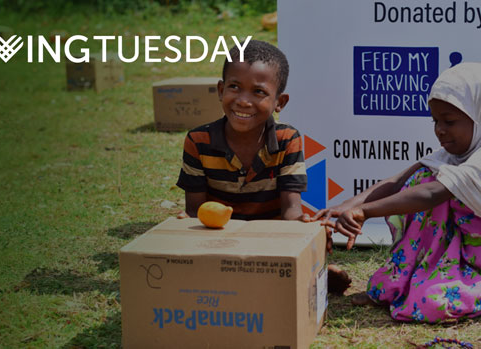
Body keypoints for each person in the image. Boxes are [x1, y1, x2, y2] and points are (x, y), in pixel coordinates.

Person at [315, 62, 481, 322]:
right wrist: (347, 206)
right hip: (457, 251)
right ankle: (403, 281)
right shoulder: (449, 156)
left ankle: (448, 283)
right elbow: (397, 181)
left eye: (449, 121)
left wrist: (364, 211)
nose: (439, 129)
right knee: (421, 175)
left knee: (434, 302)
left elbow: (432, 194)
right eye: (435, 121)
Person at [176, 40, 308, 221]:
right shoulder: (199, 141)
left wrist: (302, 225)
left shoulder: (287, 140)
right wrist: (187, 220)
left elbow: (291, 209)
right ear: (221, 90)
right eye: (234, 87)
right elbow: (195, 211)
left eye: (259, 92)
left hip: (271, 241)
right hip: (216, 239)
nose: (243, 101)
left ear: (280, 102)